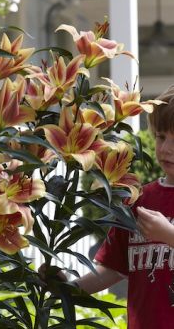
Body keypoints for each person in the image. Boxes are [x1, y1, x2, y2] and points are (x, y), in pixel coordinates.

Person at [39, 84, 174, 328]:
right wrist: (68, 288)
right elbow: (112, 268)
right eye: (161, 136)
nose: (165, 149)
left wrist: (168, 235)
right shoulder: (138, 199)